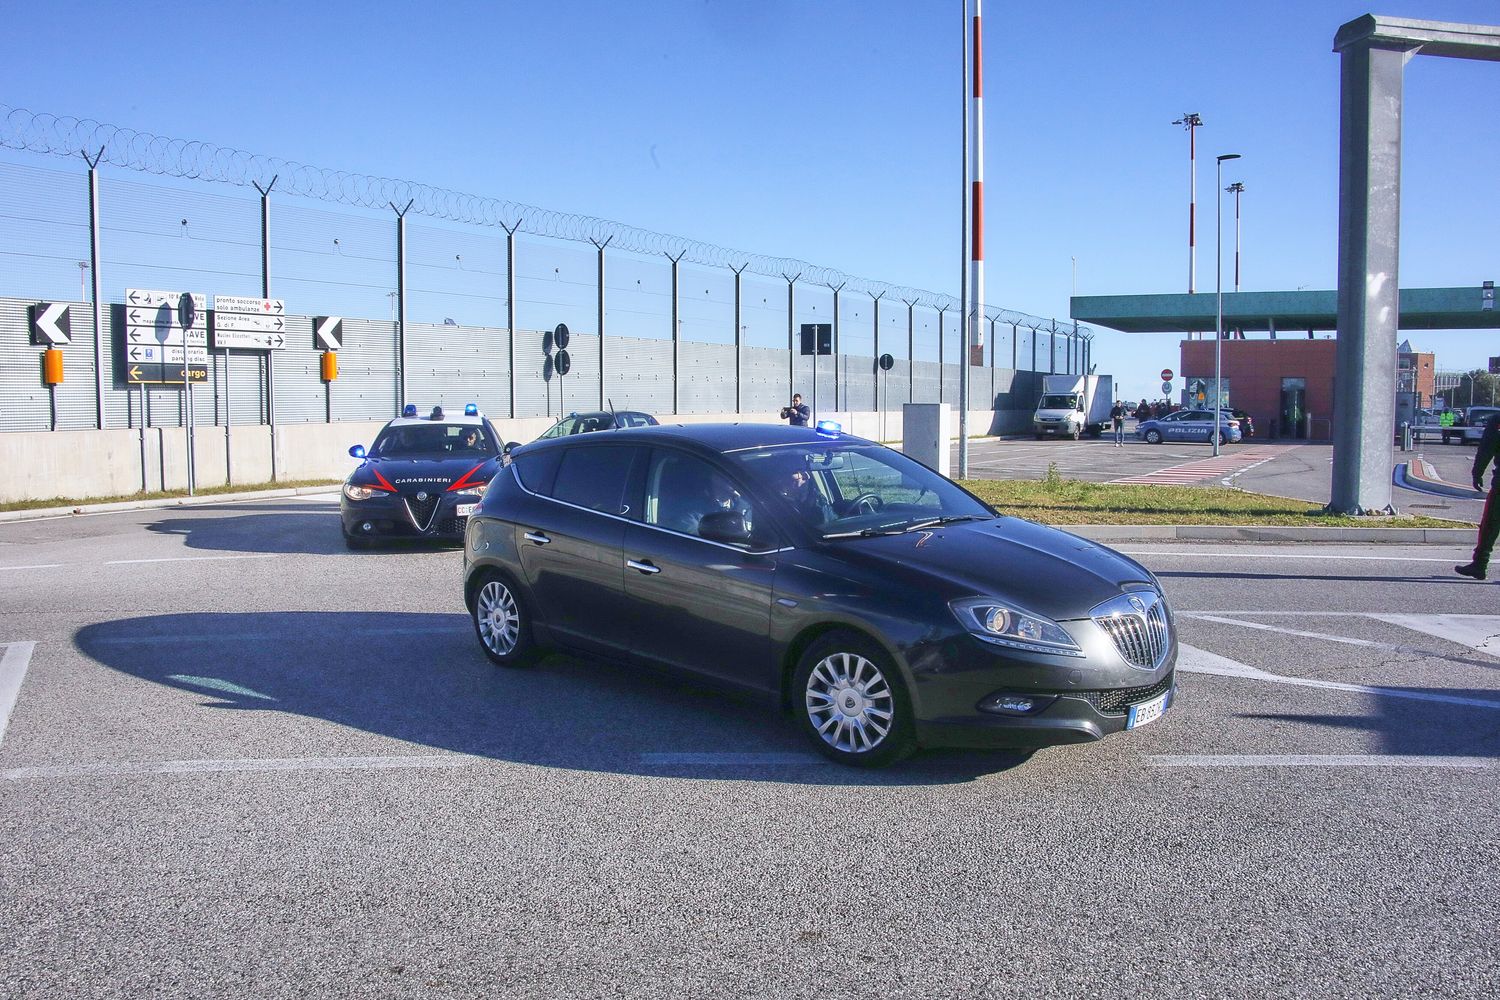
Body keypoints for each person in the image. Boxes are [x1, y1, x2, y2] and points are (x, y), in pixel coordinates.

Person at [1455, 411, 1500, 581]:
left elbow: (1486, 448)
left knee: (1490, 524)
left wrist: (1477, 472)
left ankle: (1480, 564)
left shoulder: (1497, 420)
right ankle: (1479, 565)